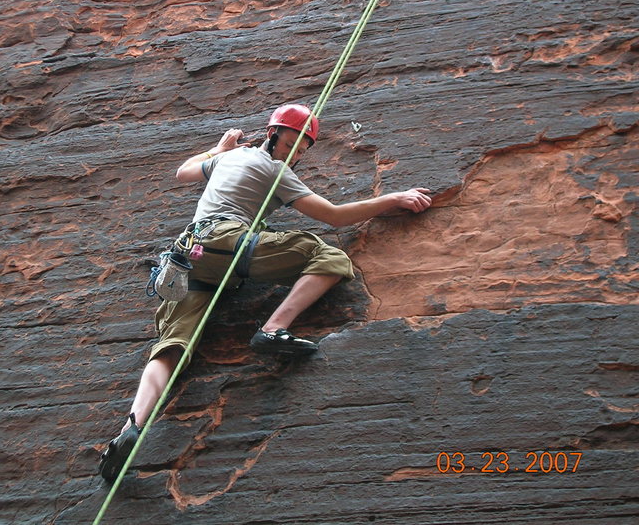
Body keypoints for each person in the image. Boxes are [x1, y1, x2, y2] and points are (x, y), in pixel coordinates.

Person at [98, 104, 432, 482]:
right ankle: (274, 328)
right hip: (227, 242)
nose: (293, 155)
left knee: (172, 345)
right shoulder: (275, 170)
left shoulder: (231, 156)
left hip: (187, 256)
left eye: (301, 151)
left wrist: (218, 147)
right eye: (290, 144)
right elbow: (335, 216)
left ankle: (132, 426)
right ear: (272, 135)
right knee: (330, 257)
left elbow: (183, 172)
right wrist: (395, 198)